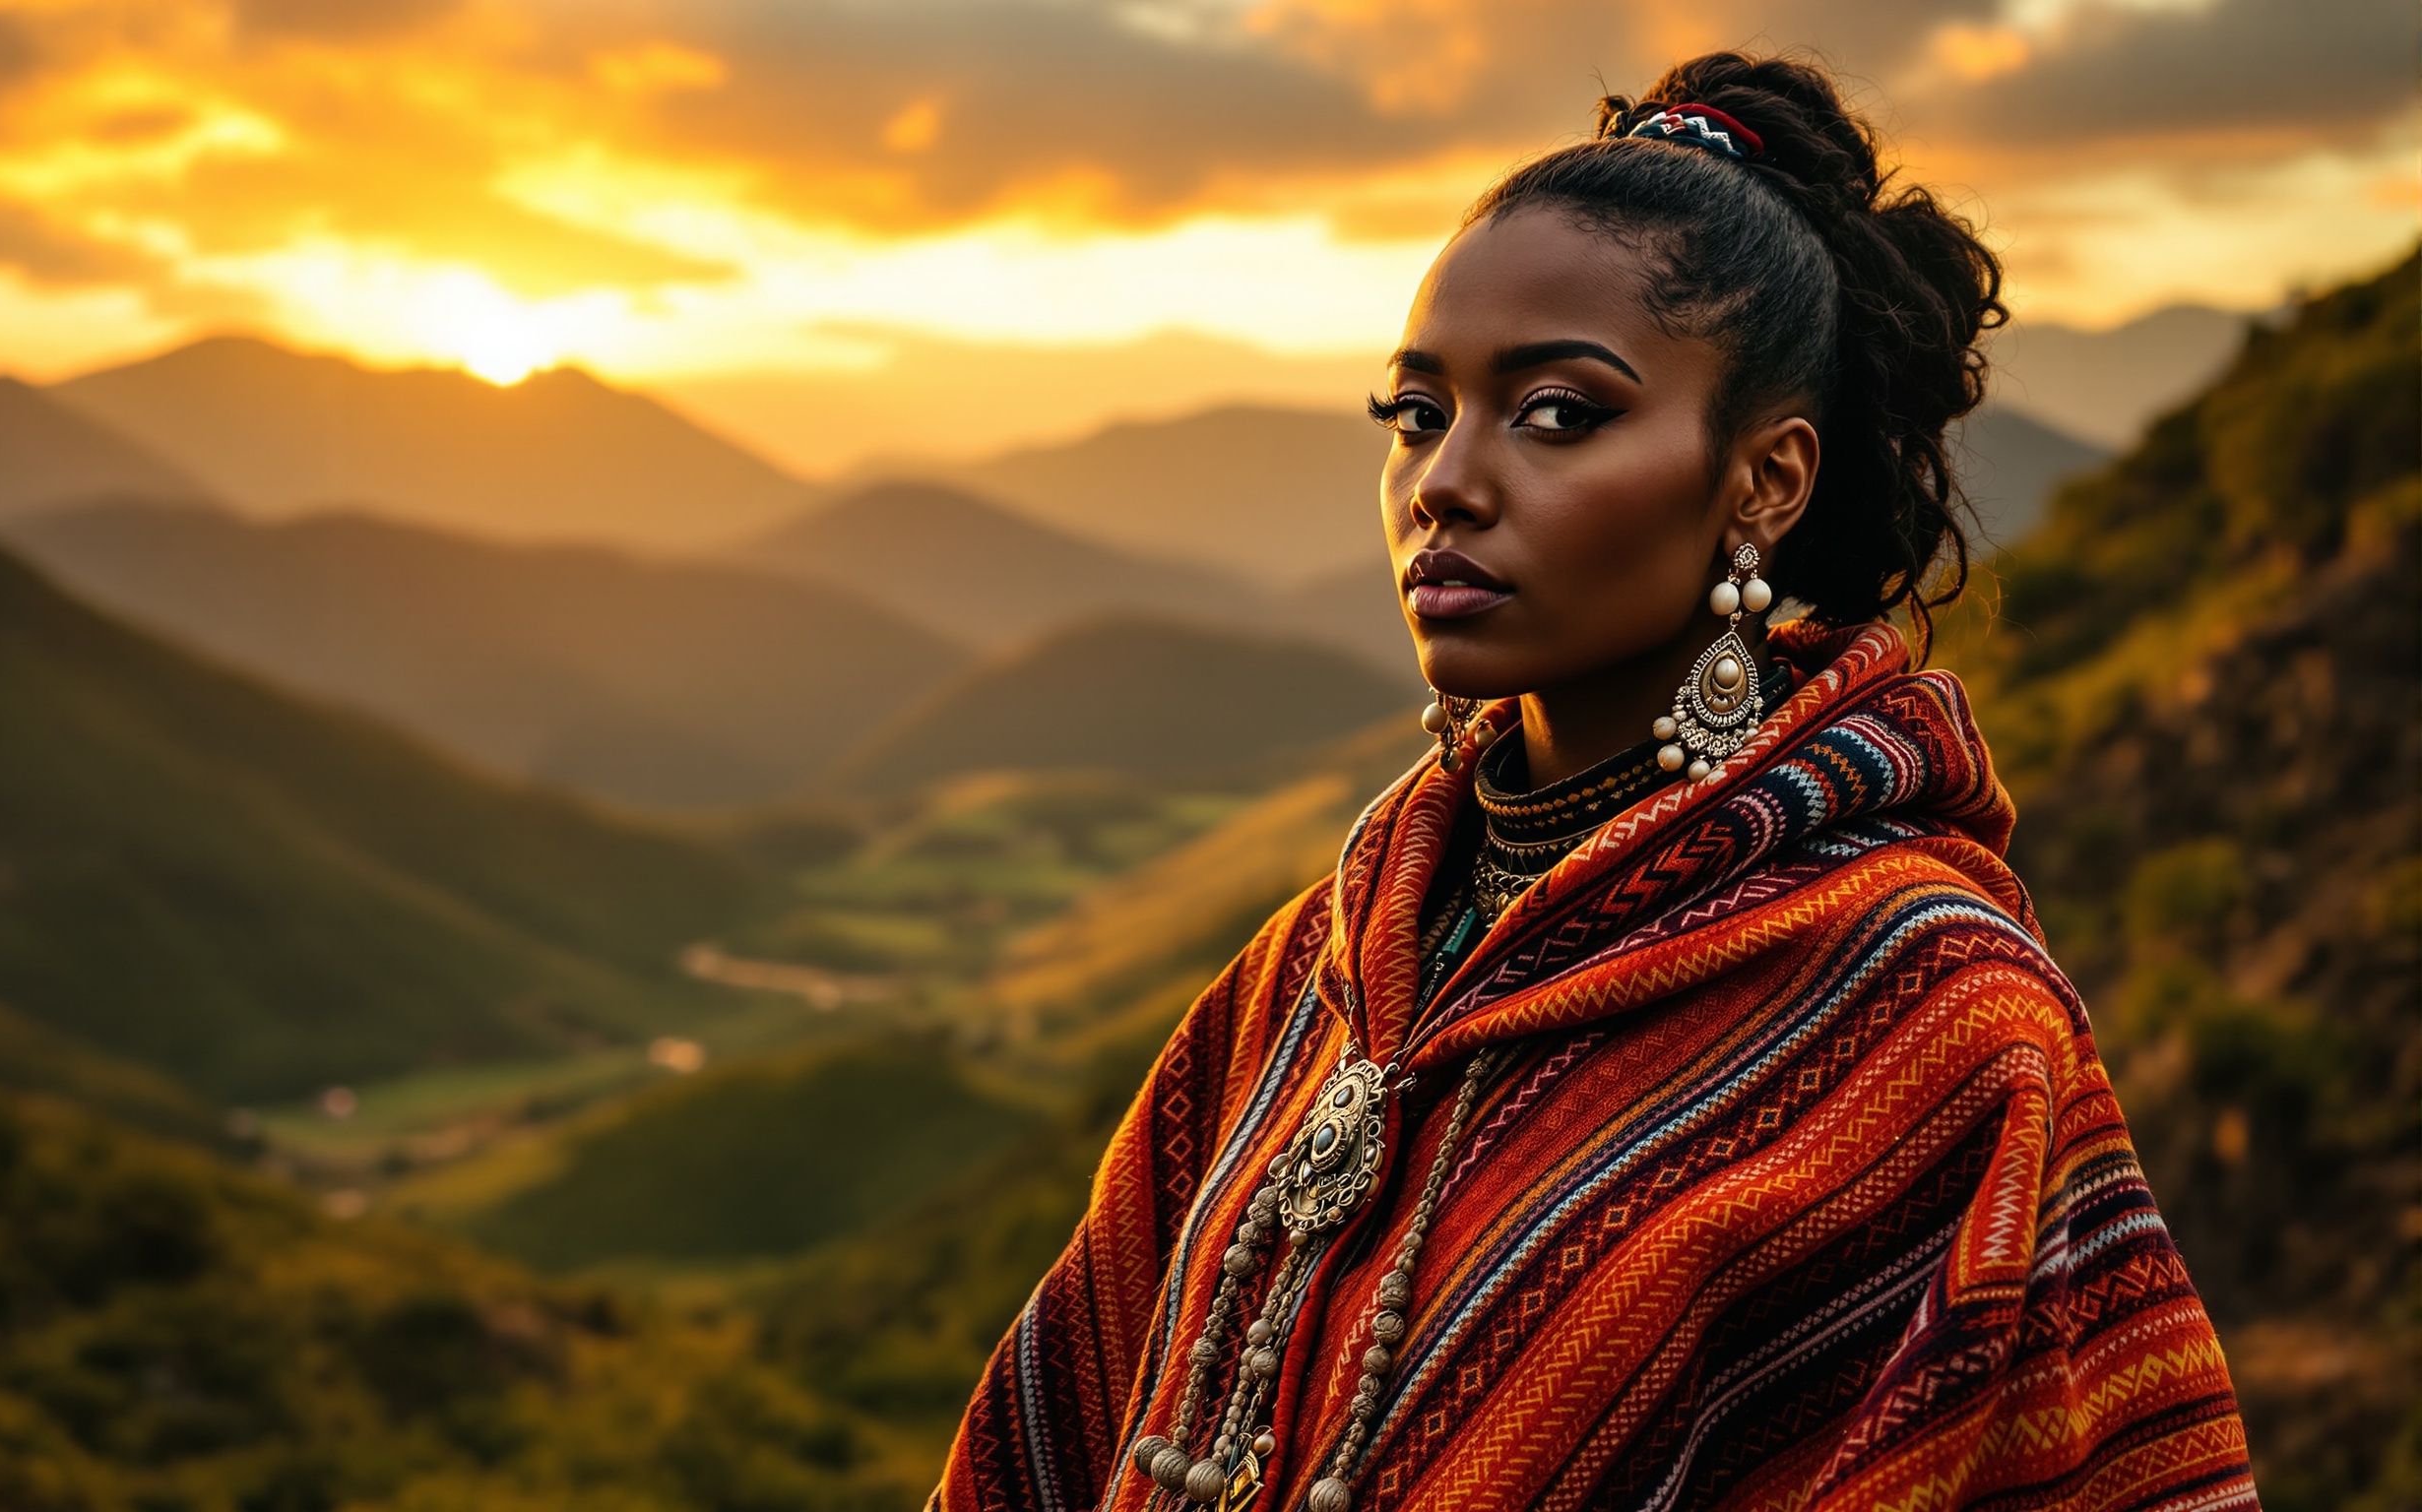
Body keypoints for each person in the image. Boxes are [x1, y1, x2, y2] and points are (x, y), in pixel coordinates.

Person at [930, 52, 2258, 1512]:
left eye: (1557, 412)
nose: (1444, 480)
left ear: (1764, 483)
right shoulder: (1329, 964)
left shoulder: (1928, 1016)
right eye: (1416, 413)